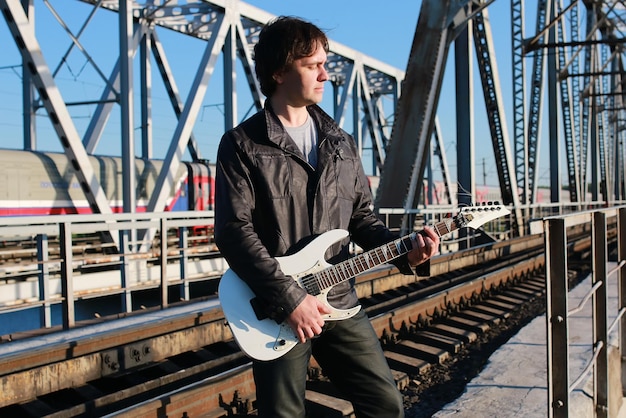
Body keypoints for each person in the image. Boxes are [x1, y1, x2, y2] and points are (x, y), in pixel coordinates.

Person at [214, 16, 440, 418]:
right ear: (279, 72)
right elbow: (233, 231)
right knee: (283, 414)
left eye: (325, 63)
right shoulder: (242, 144)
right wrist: (290, 298)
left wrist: (407, 254)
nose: (326, 75)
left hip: (338, 298)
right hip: (279, 306)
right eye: (312, 65)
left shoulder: (341, 142)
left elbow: (363, 220)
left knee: (385, 405)